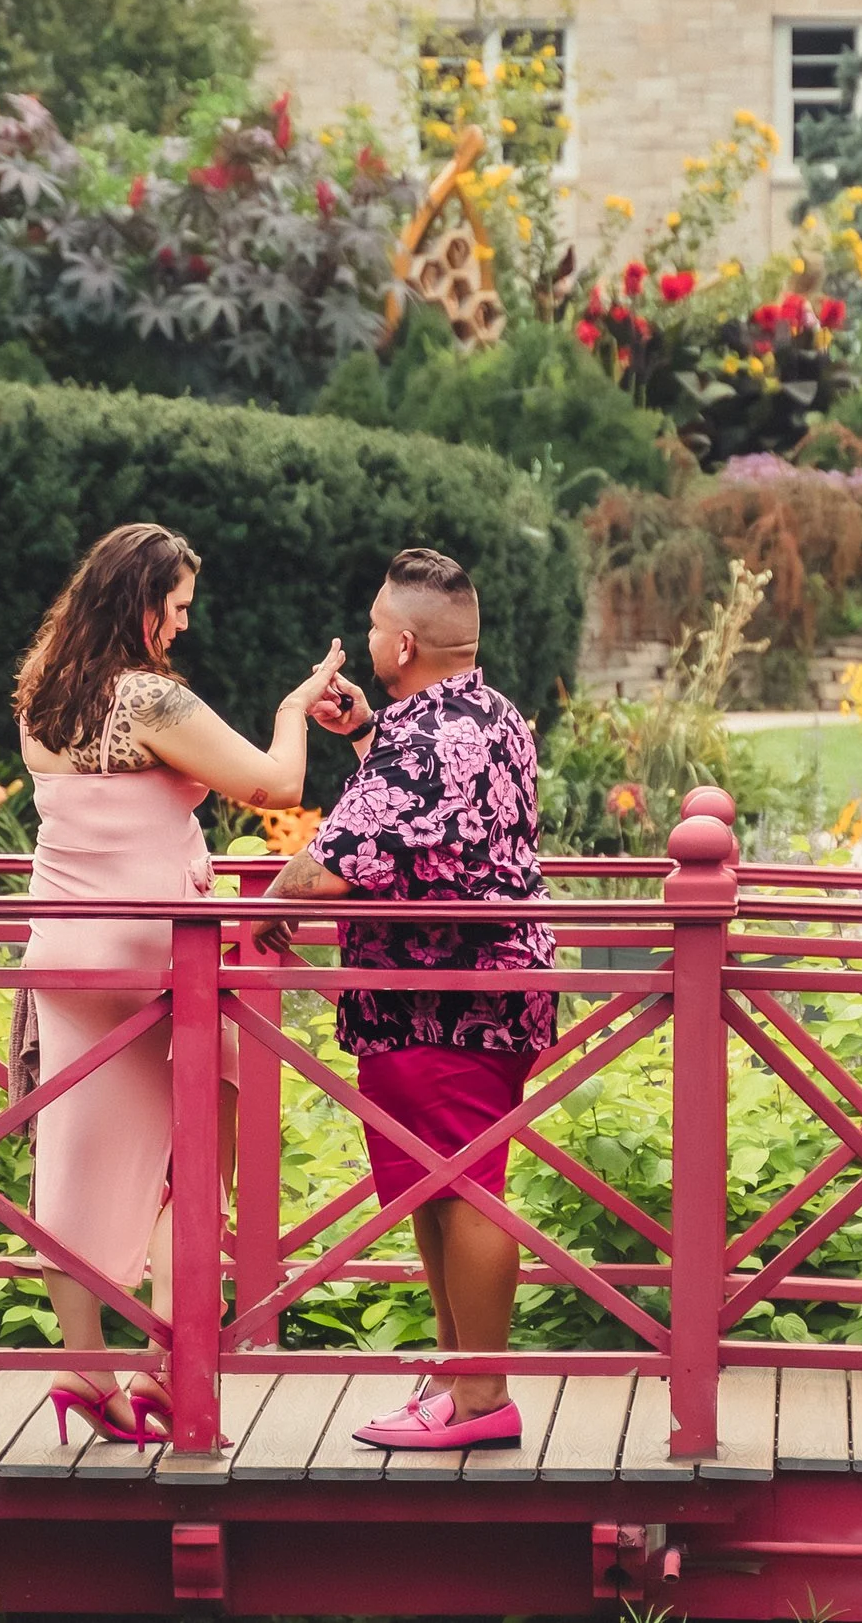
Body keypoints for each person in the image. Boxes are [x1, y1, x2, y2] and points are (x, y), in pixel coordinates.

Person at [14, 522, 345, 1448]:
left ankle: (86, 1368)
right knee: (191, 1147)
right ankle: (167, 1361)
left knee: (73, 1147)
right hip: (156, 961)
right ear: (142, 603)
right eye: (179, 607)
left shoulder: (44, 693)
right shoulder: (147, 700)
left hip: (65, 950)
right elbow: (276, 786)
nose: (184, 627)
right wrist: (294, 706)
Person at [256, 548, 556, 1451]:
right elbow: (421, 823)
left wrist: (268, 903)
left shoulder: (425, 742)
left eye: (378, 625)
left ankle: (481, 1398)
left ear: (403, 641)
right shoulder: (488, 716)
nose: (372, 637)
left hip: (445, 1003)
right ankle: (455, 1379)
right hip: (478, 995)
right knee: (444, 1186)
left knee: (464, 1188)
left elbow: (332, 867)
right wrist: (361, 734)